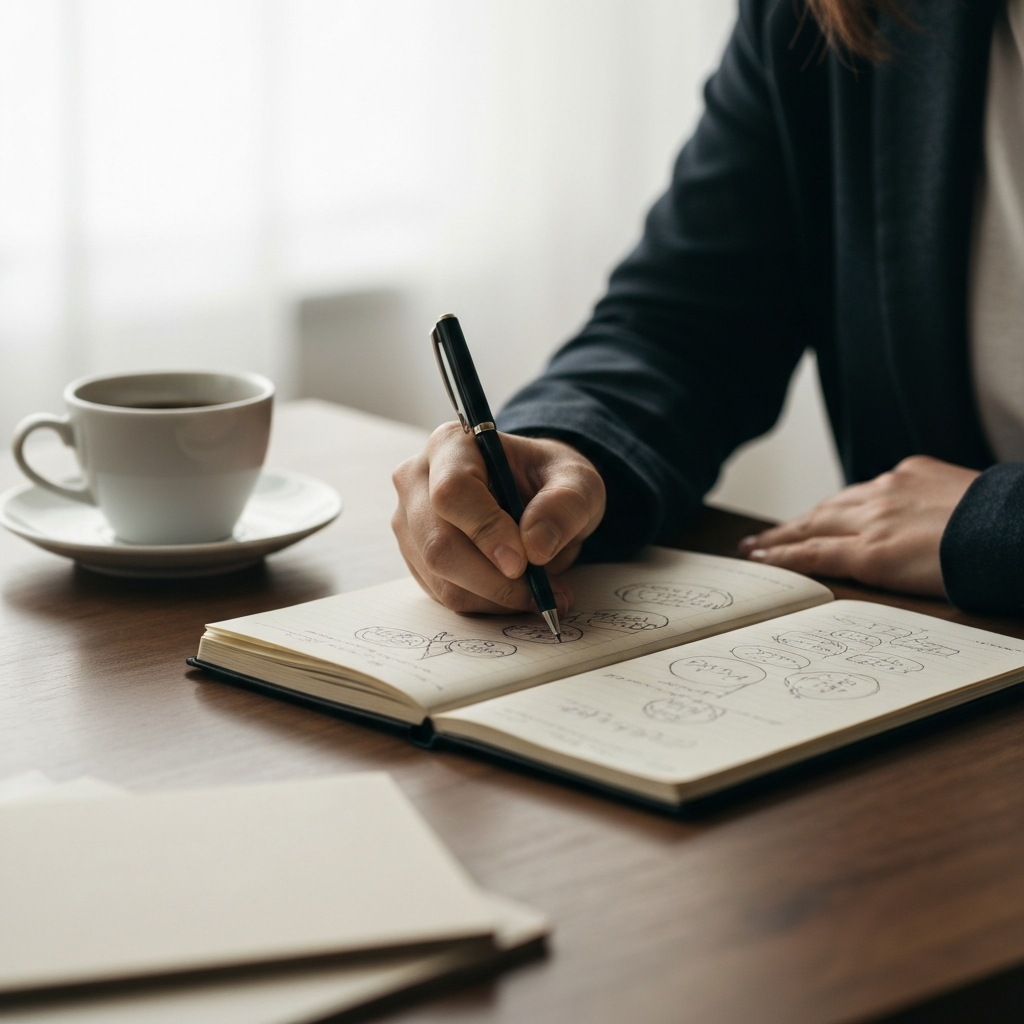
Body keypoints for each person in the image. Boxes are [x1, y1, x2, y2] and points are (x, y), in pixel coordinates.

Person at [392, 0, 1024, 617]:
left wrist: (997, 524)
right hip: (934, 654)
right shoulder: (826, 13)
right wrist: (559, 454)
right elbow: (686, 323)